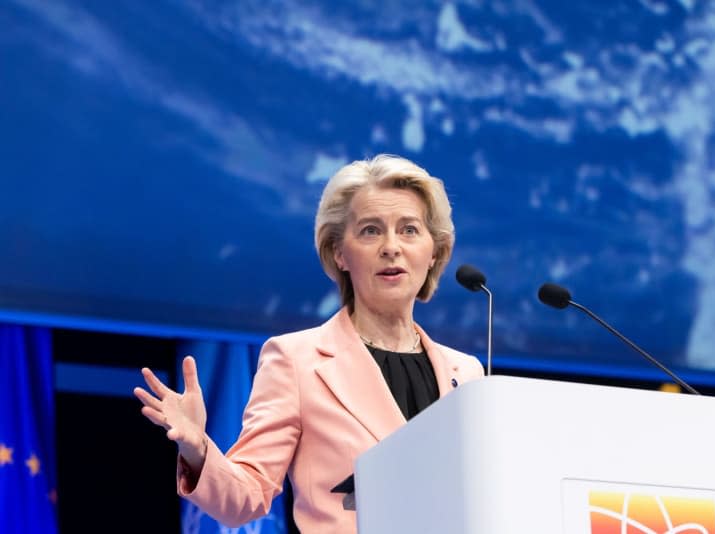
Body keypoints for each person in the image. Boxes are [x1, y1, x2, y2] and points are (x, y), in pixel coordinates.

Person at [134, 154, 485, 533]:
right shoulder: (295, 360)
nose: (391, 247)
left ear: (434, 251)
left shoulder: (466, 372)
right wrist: (198, 448)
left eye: (409, 230)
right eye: (370, 230)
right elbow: (247, 497)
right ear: (339, 252)